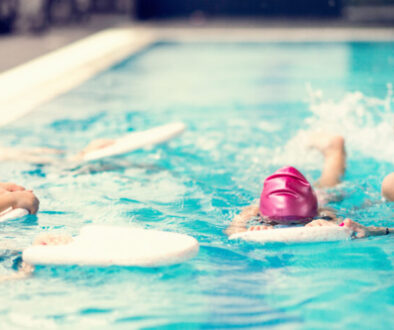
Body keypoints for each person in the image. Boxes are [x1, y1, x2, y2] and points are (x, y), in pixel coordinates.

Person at [226, 135, 392, 239]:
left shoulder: (322, 212)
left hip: (319, 198)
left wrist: (326, 224)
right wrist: (250, 231)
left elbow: (341, 224)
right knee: (328, 182)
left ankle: (335, 149)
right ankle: (334, 148)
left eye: (297, 222)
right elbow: (233, 231)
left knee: (330, 185)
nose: (288, 226)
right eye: (276, 222)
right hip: (306, 198)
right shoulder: (252, 210)